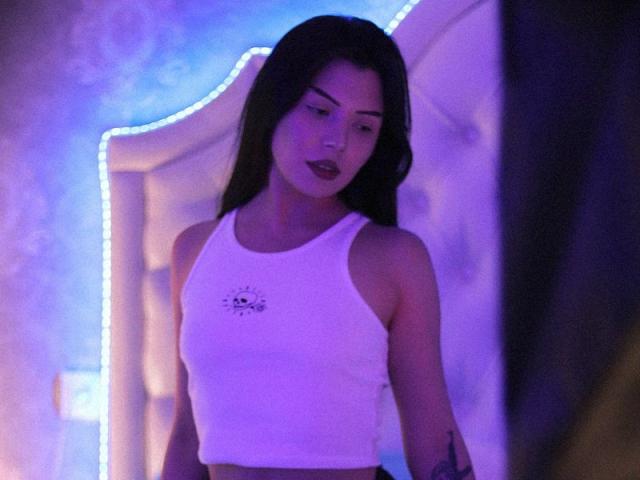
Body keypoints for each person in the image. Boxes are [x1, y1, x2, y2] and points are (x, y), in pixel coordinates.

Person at [161, 15, 474, 480]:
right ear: (275, 104)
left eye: (363, 127)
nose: (337, 142)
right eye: (320, 111)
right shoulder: (193, 251)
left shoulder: (392, 259)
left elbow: (433, 436)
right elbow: (188, 436)